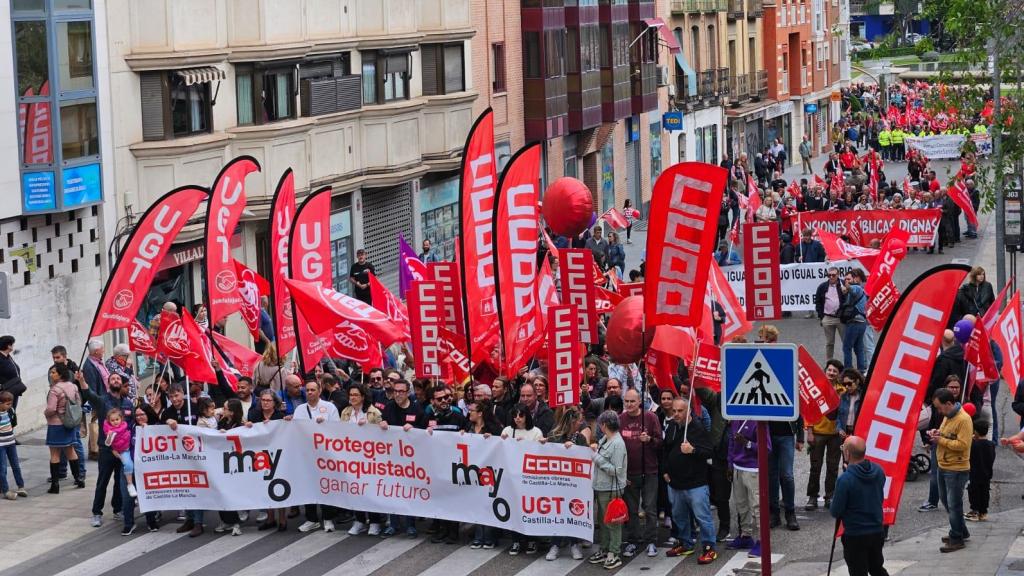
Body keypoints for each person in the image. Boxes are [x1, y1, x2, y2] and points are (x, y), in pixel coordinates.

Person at [662, 397, 718, 564]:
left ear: (688, 411)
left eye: (680, 411)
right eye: (674, 411)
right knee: (679, 516)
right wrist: (664, 470)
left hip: (696, 483)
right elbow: (665, 449)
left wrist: (693, 450)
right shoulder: (671, 426)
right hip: (675, 482)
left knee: (703, 516)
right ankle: (685, 543)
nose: (676, 414)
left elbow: (709, 452)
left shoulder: (698, 428)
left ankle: (709, 547)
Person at [830, 435, 889, 576]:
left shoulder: (845, 479)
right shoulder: (878, 470)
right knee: (876, 568)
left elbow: (836, 511)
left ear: (848, 453)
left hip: (856, 534)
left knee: (858, 572)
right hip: (877, 530)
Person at [544, 406, 592, 561]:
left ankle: (574, 544)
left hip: (575, 484)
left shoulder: (580, 439)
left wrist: (577, 449)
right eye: (579, 420)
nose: (581, 423)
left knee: (573, 512)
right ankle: (555, 545)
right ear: (572, 421)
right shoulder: (554, 436)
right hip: (557, 483)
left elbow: (586, 455)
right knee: (557, 513)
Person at [928, 388, 972, 552]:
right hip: (944, 465)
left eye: (940, 407)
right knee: (945, 500)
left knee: (954, 504)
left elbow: (963, 445)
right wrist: (937, 433)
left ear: (949, 403)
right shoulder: (948, 416)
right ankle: (961, 530)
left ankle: (956, 538)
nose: (939, 411)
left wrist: (941, 440)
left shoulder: (964, 419)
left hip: (957, 469)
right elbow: (947, 434)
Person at [620, 389, 663, 559]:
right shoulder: (620, 419)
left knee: (650, 508)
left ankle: (651, 540)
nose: (629, 404)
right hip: (629, 472)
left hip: (649, 471)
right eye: (626, 401)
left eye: (632, 401)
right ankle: (633, 540)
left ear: (639, 402)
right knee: (631, 510)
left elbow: (660, 442)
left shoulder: (651, 418)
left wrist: (650, 440)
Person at [294, 379, 341, 533]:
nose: (309, 393)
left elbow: (337, 429)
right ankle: (312, 519)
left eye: (313, 390)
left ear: (319, 391)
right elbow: (295, 430)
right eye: (307, 390)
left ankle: (328, 518)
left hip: (325, 455)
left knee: (326, 486)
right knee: (309, 487)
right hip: (307, 455)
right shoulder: (300, 409)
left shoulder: (329, 408)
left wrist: (325, 425)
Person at [342, 383, 384, 536]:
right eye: (351, 395)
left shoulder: (373, 413)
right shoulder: (346, 412)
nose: (352, 397)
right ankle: (359, 520)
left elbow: (382, 435)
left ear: (363, 397)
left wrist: (368, 426)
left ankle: (374, 521)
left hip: (370, 459)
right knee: (355, 490)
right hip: (352, 459)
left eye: (356, 395)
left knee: (370, 490)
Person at [588, 410, 627, 570]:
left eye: (600, 424)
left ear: (604, 425)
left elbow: (617, 470)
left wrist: (596, 458)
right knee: (603, 522)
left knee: (613, 522)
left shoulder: (617, 443)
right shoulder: (606, 439)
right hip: (602, 487)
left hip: (611, 489)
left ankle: (614, 552)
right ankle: (604, 549)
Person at [502, 403, 544, 555]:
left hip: (529, 478)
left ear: (527, 416)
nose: (518, 418)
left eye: (521, 415)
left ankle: (532, 540)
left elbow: (539, 452)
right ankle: (516, 540)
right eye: (515, 415)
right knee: (514, 510)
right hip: (512, 477)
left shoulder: (535, 432)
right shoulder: (507, 430)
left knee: (529, 509)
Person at [463, 398, 505, 549]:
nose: (469, 414)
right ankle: (478, 536)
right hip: (472, 472)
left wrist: (492, 438)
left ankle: (489, 537)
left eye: (472, 411)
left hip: (489, 472)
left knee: (488, 503)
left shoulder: (492, 428)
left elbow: (502, 443)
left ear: (480, 413)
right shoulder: (468, 426)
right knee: (477, 503)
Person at [806, 359, 845, 511]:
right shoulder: (815, 387)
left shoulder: (842, 390)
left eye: (835, 371)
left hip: (835, 434)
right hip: (818, 433)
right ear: (825, 370)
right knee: (815, 466)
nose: (831, 373)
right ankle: (812, 497)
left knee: (833, 467)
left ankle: (830, 496)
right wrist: (809, 431)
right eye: (829, 370)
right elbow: (808, 409)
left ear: (838, 374)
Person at [250, 389, 288, 532]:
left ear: (274, 403)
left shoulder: (280, 416)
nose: (265, 403)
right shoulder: (254, 414)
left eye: (268, 400)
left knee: (278, 485)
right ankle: (270, 517)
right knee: (265, 485)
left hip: (277, 455)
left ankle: (282, 518)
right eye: (263, 400)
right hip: (260, 455)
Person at [44, 364, 84, 493]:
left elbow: (51, 409)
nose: (51, 375)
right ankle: (79, 479)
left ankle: (55, 485)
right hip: (69, 422)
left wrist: (45, 414)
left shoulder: (55, 390)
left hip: (56, 424)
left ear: (60, 374)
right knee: (70, 450)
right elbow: (79, 402)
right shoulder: (73, 386)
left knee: (54, 454)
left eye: (53, 372)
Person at [727, 419, 764, 558]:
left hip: (753, 468)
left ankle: (762, 540)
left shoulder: (758, 421)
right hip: (738, 467)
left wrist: (747, 443)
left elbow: (766, 448)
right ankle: (746, 535)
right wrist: (730, 463)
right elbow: (731, 442)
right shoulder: (735, 419)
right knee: (741, 505)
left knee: (757, 506)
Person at [212, 398, 246, 536]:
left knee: (232, 494)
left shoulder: (240, 424)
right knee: (221, 493)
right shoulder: (222, 422)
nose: (223, 410)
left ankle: (236, 522)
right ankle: (226, 520)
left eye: (225, 408)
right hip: (222, 462)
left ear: (232, 412)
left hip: (235, 463)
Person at [965, 419, 995, 523]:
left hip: (975, 473)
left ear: (976, 432)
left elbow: (969, 457)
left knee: (974, 492)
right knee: (985, 492)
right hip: (987, 473)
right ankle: (983, 512)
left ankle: (975, 511)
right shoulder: (991, 444)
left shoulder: (974, 445)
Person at [0, 391, 26, 500]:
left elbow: (13, 423)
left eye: (10, 403)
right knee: (2, 468)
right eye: (7, 404)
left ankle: (21, 486)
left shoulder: (10, 411)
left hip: (11, 443)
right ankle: (5, 490)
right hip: (1, 445)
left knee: (16, 465)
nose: (10, 406)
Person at [841, 270, 868, 371]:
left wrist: (846, 286)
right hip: (861, 323)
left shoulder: (856, 287)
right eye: (845, 279)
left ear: (855, 278)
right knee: (858, 348)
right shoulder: (862, 288)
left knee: (846, 347)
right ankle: (861, 370)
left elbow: (852, 289)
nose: (846, 281)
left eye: (849, 279)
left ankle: (848, 371)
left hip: (854, 322)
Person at [816, 267, 845, 358]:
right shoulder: (822, 286)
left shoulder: (843, 285)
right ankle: (829, 363)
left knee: (846, 342)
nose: (831, 277)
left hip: (841, 318)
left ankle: (847, 364)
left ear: (838, 275)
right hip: (827, 318)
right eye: (829, 275)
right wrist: (822, 317)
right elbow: (818, 302)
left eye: (833, 275)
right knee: (829, 343)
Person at [836, 369, 865, 439]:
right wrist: (839, 429)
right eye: (844, 384)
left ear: (857, 381)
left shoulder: (864, 397)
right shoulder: (842, 397)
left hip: (858, 433)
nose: (846, 387)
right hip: (844, 433)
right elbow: (837, 416)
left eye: (849, 384)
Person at [0, 336, 23, 412]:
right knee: (8, 413)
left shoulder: (7, 356)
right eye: (12, 344)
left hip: (14, 390)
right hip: (6, 393)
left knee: (12, 411)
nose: (13, 346)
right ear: (8, 346)